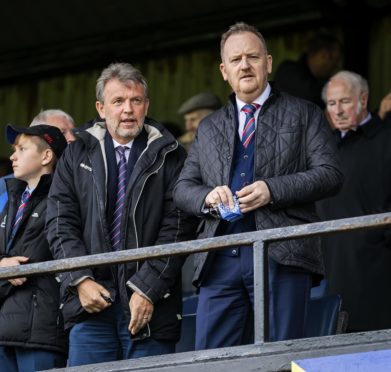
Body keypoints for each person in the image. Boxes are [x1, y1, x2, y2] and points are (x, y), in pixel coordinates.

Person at [173, 22, 343, 350]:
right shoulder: (208, 127)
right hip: (219, 257)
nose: (245, 65)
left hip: (280, 253)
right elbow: (182, 188)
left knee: (279, 356)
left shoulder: (304, 113)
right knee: (211, 362)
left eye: (253, 56)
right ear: (224, 71)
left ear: (268, 62)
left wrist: (272, 190)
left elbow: (331, 174)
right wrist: (207, 196)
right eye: (236, 60)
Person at [46, 62, 194, 366]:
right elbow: (60, 223)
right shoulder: (75, 154)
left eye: (136, 100)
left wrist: (147, 289)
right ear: (101, 108)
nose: (128, 109)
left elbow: (179, 226)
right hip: (89, 305)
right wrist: (79, 280)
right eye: (118, 101)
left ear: (146, 105)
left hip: (152, 306)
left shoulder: (171, 154)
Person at [316, 70, 391, 332]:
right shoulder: (324, 149)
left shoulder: (386, 140)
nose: (338, 111)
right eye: (332, 104)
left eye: (345, 102)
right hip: (332, 270)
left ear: (363, 99)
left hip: (378, 270)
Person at [0, 124, 68, 371]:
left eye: (21, 149)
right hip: (6, 327)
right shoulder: (13, 199)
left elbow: (27, 261)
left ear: (46, 156)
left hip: (41, 330)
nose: (12, 157)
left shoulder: (61, 198)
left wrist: (6, 265)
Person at [0, 109, 76, 214]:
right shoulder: (5, 187)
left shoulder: (68, 192)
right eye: (62, 132)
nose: (73, 138)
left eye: (74, 132)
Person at [273, 32, 342, 108]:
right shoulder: (287, 71)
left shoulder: (322, 81)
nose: (336, 65)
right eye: (333, 59)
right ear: (324, 55)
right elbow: (308, 95)